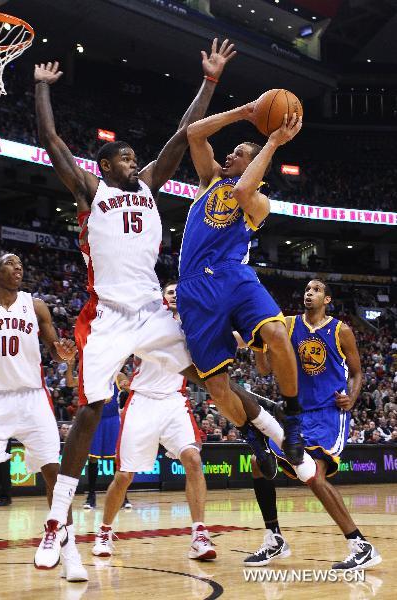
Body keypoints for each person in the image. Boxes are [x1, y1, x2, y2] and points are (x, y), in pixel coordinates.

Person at [33, 40, 248, 569]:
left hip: (151, 311)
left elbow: (183, 133)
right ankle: (57, 520)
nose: (134, 160)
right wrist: (41, 87)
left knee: (207, 368)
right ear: (104, 165)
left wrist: (210, 81)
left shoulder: (150, 185)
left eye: (134, 155)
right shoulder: (90, 190)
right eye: (124, 156)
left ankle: (268, 430)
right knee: (90, 410)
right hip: (108, 315)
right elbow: (50, 139)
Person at [0, 254, 87, 582]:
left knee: (55, 474)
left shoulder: (36, 306)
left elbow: (54, 348)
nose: (18, 269)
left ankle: (69, 553)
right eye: (11, 264)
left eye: (21, 265)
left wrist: (62, 354)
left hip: (33, 397)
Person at [178, 105, 305, 466]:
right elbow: (194, 133)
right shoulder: (208, 180)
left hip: (233, 276)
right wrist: (247, 111)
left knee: (278, 334)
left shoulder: (260, 202)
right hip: (194, 288)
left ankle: (293, 417)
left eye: (239, 154)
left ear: (255, 164)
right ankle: (251, 432)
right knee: (217, 386)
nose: (230, 156)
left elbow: (245, 188)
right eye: (231, 152)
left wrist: (274, 142)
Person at [245, 279, 381, 571]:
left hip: (329, 413)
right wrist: (258, 344)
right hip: (299, 415)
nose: (310, 293)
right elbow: (265, 369)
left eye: (317, 289)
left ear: (327, 299)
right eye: (307, 289)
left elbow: (357, 372)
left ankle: (360, 545)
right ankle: (274, 538)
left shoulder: (341, 330)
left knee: (314, 474)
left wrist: (352, 398)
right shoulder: (289, 325)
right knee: (259, 464)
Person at [92, 283, 216, 560]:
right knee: (124, 476)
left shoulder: (193, 326)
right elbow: (113, 353)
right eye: (170, 291)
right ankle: (104, 531)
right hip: (143, 401)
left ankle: (199, 535)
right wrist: (119, 378)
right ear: (162, 297)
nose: (174, 295)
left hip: (174, 400)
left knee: (193, 461)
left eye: (178, 292)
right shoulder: (146, 322)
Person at [65, 362, 131, 510]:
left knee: (118, 460)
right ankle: (91, 496)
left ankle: (123, 496)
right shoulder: (91, 375)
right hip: (96, 419)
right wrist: (70, 365)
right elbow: (70, 382)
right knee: (93, 458)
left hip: (113, 420)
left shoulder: (118, 376)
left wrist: (128, 384)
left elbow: (130, 387)